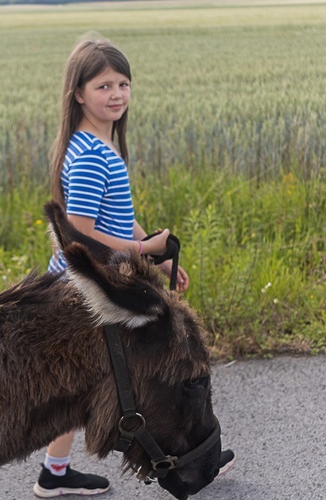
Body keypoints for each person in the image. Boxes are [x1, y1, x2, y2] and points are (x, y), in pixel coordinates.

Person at [33, 33, 235, 498]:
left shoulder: (98, 147)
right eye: (103, 86)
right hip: (87, 290)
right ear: (78, 93)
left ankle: (54, 472)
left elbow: (116, 217)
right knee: (159, 368)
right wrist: (144, 251)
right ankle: (190, 453)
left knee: (82, 384)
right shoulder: (88, 155)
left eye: (123, 83)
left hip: (95, 282)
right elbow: (81, 232)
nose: (117, 94)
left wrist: (153, 252)